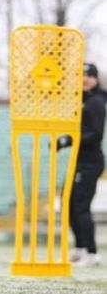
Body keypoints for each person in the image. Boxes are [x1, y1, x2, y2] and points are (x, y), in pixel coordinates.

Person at [57, 62, 106, 267]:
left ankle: (91, 253)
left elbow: (95, 135)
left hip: (90, 162)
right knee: (67, 203)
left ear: (94, 78)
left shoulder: (95, 102)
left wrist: (69, 140)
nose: (84, 79)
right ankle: (79, 248)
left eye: (88, 75)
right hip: (79, 161)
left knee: (80, 206)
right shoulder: (83, 100)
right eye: (81, 75)